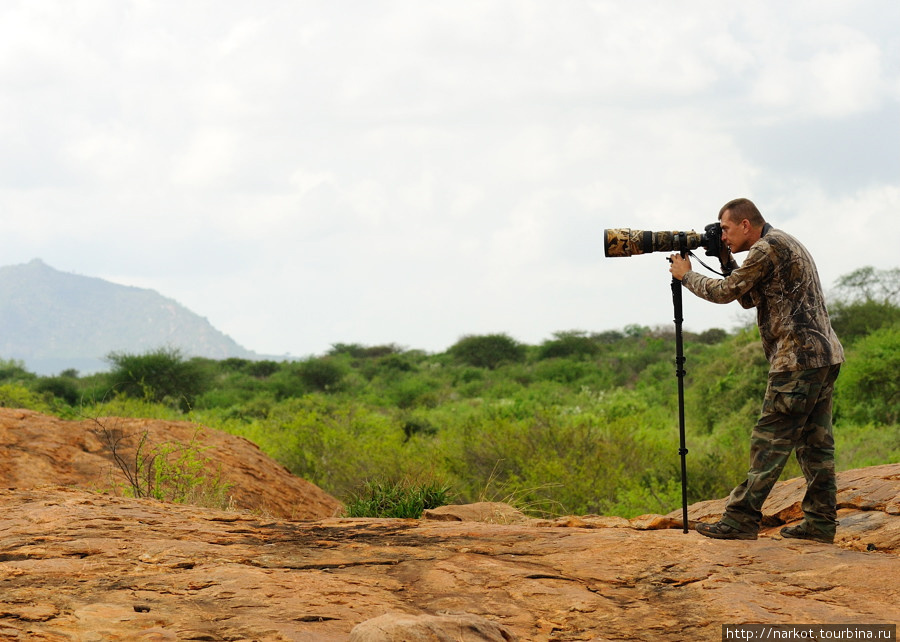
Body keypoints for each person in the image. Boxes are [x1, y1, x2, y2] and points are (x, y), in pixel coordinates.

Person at [668, 198, 844, 543]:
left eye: (727, 230)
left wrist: (686, 275)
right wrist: (724, 258)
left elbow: (725, 292)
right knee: (814, 445)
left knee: (769, 442)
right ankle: (820, 524)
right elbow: (748, 297)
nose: (724, 236)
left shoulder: (767, 248)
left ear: (746, 224)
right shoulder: (781, 243)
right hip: (823, 357)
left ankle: (740, 519)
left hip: (797, 362)